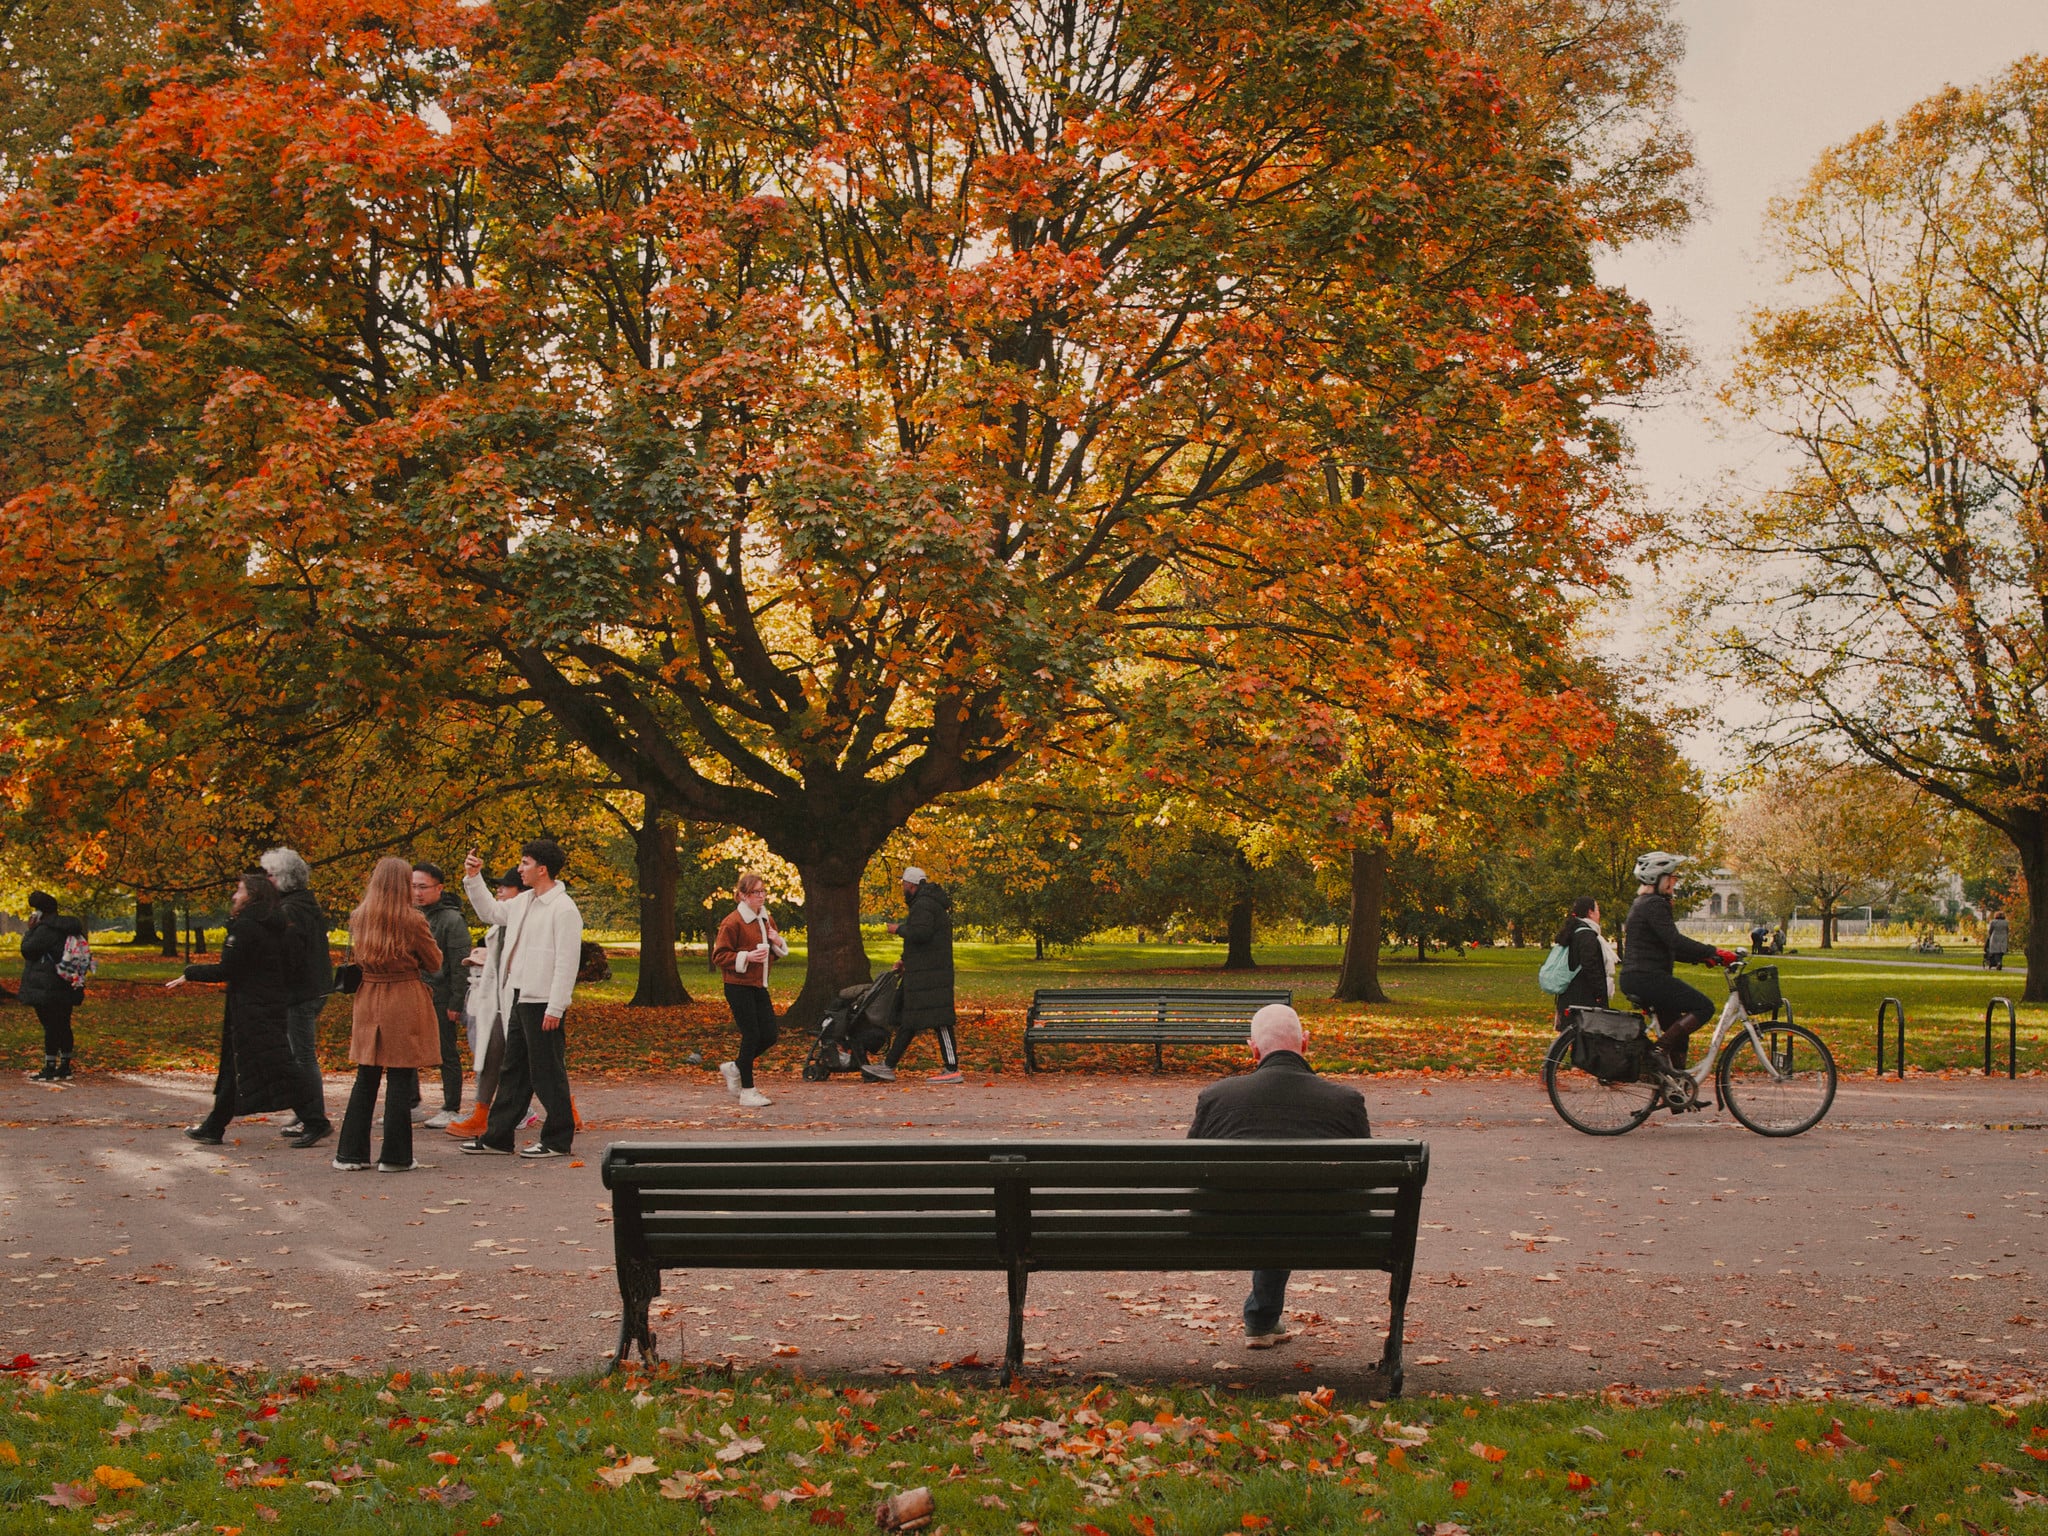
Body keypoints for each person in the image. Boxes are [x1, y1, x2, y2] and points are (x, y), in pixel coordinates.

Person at [1187, 1003, 1370, 1349]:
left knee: (1266, 1208)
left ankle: (1262, 1317)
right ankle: (1261, 1318)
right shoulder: (1345, 1101)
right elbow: (1364, 1183)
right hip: (1331, 1232)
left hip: (1225, 1229)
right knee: (1288, 1209)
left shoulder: (1217, 1098)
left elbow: (1192, 1173)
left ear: (1253, 1049)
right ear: (1305, 1043)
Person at [168, 870, 332, 1148]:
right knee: (238, 1066)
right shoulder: (277, 924)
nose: (234, 896)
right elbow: (290, 965)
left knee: (277, 1065)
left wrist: (191, 973)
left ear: (252, 896)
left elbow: (228, 968)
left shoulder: (247, 927)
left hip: (252, 1007)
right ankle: (213, 1126)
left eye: (240, 890)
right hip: (266, 1004)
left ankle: (315, 1120)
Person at [458, 838, 584, 1159]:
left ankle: (557, 1139)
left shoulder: (563, 909)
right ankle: (497, 1138)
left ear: (542, 869)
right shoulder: (524, 902)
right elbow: (489, 912)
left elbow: (566, 964)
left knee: (547, 1071)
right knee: (513, 1070)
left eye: (525, 863)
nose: (519, 869)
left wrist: (556, 1006)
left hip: (544, 1002)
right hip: (518, 996)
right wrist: (473, 879)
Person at [333, 857, 445, 1172]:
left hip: (368, 995)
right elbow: (434, 962)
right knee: (400, 1074)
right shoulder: (412, 920)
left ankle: (350, 1154)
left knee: (366, 1075)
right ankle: (395, 1156)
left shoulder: (360, 917)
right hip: (403, 997)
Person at [1618, 852, 1736, 1071]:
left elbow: (1668, 947)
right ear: (1658, 878)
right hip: (1647, 978)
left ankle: (1677, 1091)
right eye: (1671, 877)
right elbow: (1675, 941)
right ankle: (1658, 1050)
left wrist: (1705, 957)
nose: (1675, 881)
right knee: (1703, 1007)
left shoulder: (1643, 903)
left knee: (1678, 1032)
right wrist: (1714, 950)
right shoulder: (1654, 904)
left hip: (1639, 977)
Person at [445, 868, 524, 1140]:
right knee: (492, 1054)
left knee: (539, 1061)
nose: (500, 891)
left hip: (521, 999)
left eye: (505, 887)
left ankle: (565, 1112)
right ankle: (481, 1114)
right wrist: (472, 876)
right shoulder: (501, 921)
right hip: (500, 1000)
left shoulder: (527, 915)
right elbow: (486, 910)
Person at [261, 848, 333, 1139]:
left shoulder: (291, 910)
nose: (266, 880)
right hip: (312, 988)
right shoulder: (303, 904)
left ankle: (313, 1114)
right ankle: (307, 1110)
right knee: (299, 1055)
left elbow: (289, 956)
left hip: (301, 992)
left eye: (270, 875)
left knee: (303, 1057)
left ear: (282, 878)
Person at [711, 870, 787, 1109]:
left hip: (758, 985)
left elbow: (775, 953)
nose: (761, 896)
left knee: (770, 1035)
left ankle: (735, 1067)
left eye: (763, 891)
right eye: (756, 892)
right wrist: (747, 956)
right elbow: (719, 956)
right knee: (752, 1034)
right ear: (743, 896)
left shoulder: (766, 919)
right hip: (737, 986)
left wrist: (777, 942)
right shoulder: (732, 922)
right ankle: (747, 1090)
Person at [882, 866, 962, 1083]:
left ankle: (952, 1068)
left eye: (904, 886)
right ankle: (888, 1065)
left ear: (912, 885)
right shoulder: (927, 904)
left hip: (931, 975)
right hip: (925, 973)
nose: (903, 890)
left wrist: (897, 929)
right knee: (910, 1020)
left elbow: (921, 933)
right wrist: (905, 960)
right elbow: (923, 940)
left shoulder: (924, 905)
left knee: (940, 1020)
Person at [411, 861, 473, 1129]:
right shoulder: (411, 915)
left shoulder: (451, 920)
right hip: (413, 993)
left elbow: (461, 964)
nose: (417, 892)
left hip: (441, 995)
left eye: (423, 887)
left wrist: (456, 1002)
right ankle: (411, 1102)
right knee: (407, 1050)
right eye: (413, 886)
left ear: (439, 888)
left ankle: (451, 1106)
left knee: (445, 1051)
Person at [20, 891, 86, 1081]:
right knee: (64, 1023)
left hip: (46, 984)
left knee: (50, 1025)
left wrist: (30, 930)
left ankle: (50, 1067)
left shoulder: (44, 930)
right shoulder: (71, 927)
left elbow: (27, 950)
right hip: (67, 982)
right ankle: (65, 1065)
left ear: (40, 913)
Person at [1551, 898, 1613, 1028]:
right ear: (1590, 912)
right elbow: (1590, 965)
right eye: (1597, 910)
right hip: (1584, 997)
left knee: (1575, 1040)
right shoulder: (1587, 935)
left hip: (1569, 995)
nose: (1599, 914)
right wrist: (1600, 994)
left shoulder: (1573, 931)